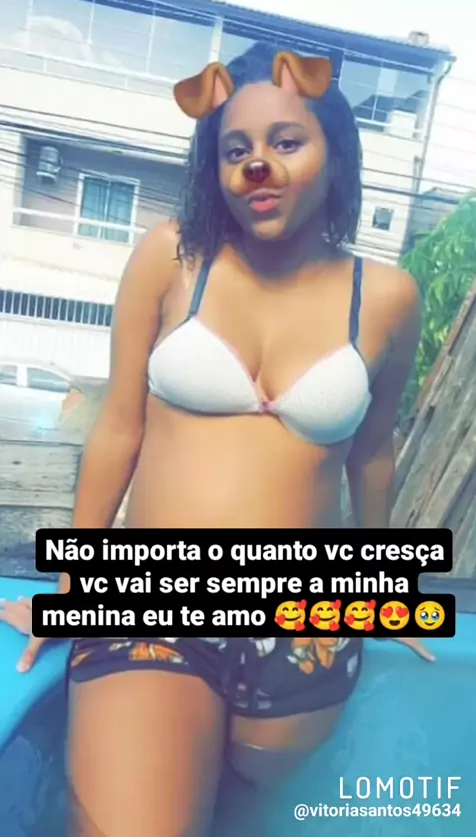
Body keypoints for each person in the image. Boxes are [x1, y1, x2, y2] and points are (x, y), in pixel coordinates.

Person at [0, 42, 435, 837]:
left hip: (306, 620)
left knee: (238, 819)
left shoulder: (387, 298)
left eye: (285, 141)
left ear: (337, 154)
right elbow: (119, 428)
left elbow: (373, 454)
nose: (257, 165)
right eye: (235, 151)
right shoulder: (173, 257)